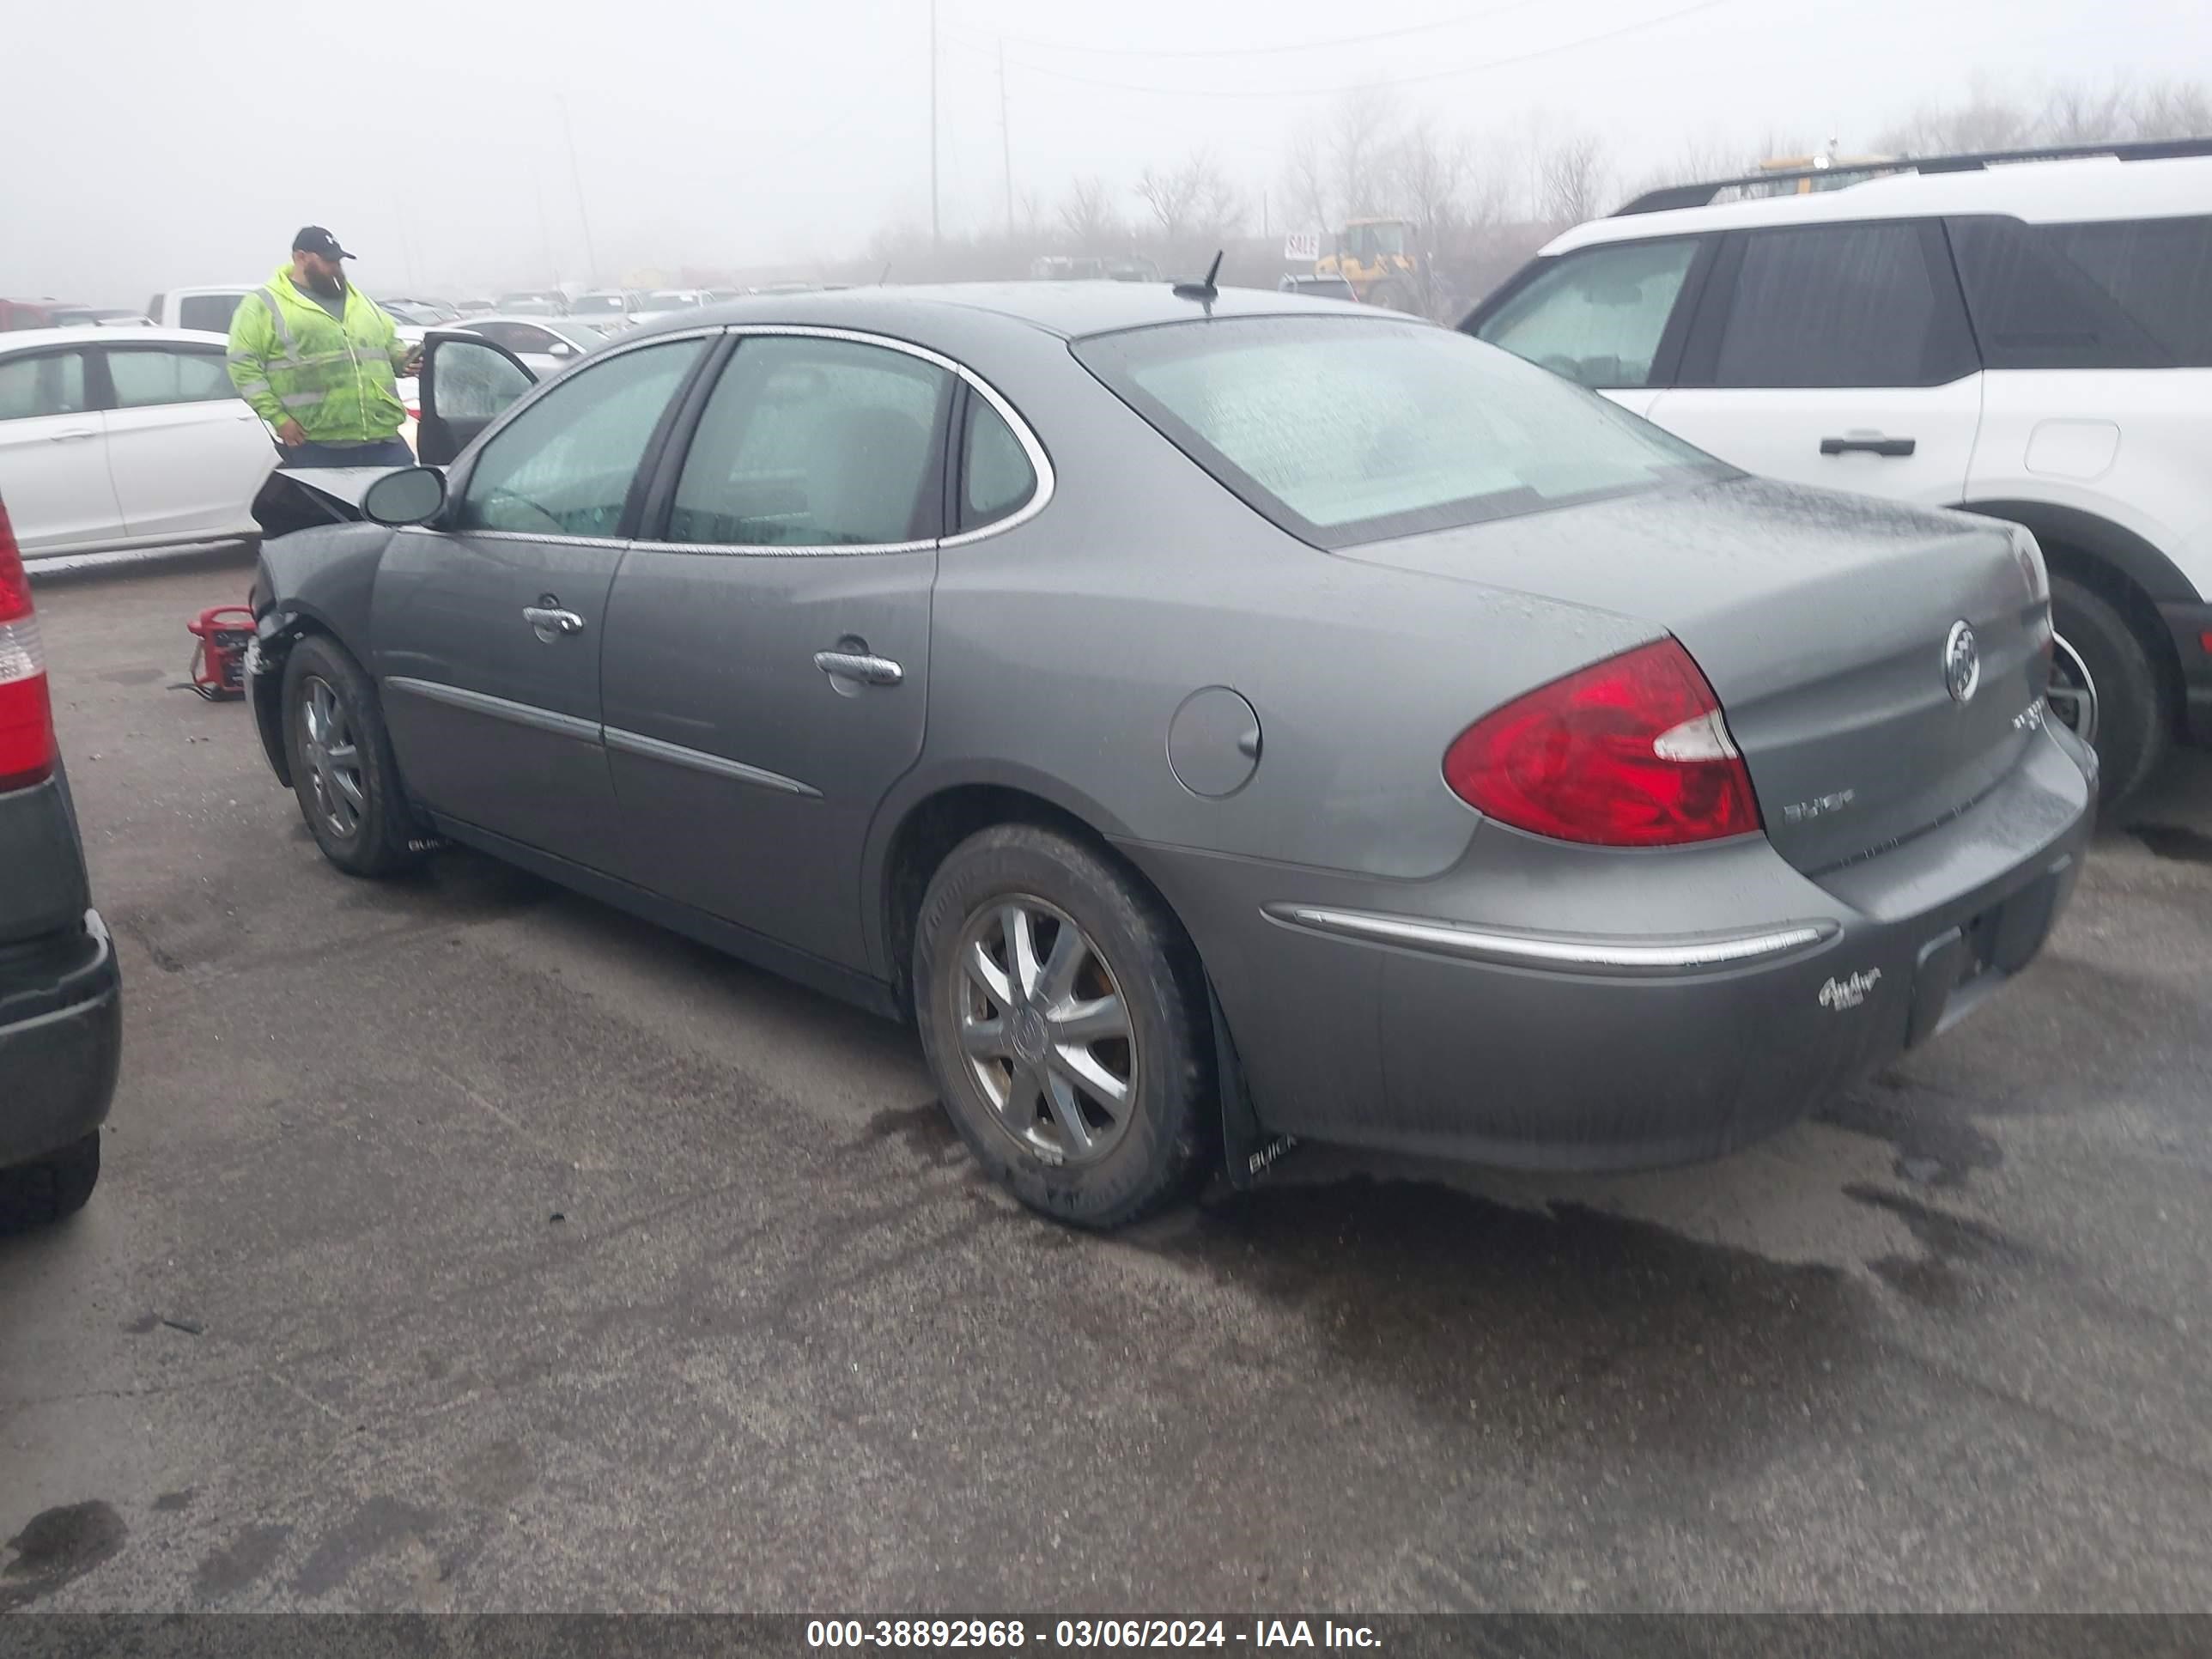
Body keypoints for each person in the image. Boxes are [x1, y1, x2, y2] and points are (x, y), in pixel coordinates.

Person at [225, 227, 421, 468]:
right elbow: (243, 367)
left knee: (413, 502)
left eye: (338, 261)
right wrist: (278, 418)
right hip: (317, 445)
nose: (335, 267)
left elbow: (389, 342)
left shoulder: (358, 300)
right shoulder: (263, 304)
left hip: (383, 439)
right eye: (328, 261)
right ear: (300, 257)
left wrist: (403, 359)